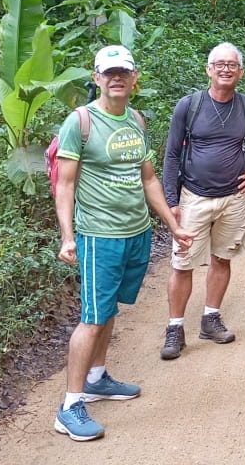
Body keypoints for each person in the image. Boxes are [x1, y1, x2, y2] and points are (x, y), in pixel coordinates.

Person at [52, 45, 194, 440]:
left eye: (123, 73)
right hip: (99, 235)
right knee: (93, 317)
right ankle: (70, 406)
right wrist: (67, 237)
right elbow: (65, 184)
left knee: (109, 305)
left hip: (136, 232)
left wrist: (172, 225)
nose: (116, 78)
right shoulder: (80, 122)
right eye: (108, 73)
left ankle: (96, 378)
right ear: (96, 78)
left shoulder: (135, 119)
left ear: (134, 79)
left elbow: (148, 178)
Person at [159, 42, 245, 360]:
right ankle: (175, 328)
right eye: (220, 64)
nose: (226, 69)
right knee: (182, 263)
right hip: (193, 197)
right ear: (209, 70)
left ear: (240, 72)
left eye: (232, 65)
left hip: (233, 198)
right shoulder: (189, 106)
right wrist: (171, 199)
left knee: (222, 258)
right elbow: (172, 154)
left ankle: (210, 318)